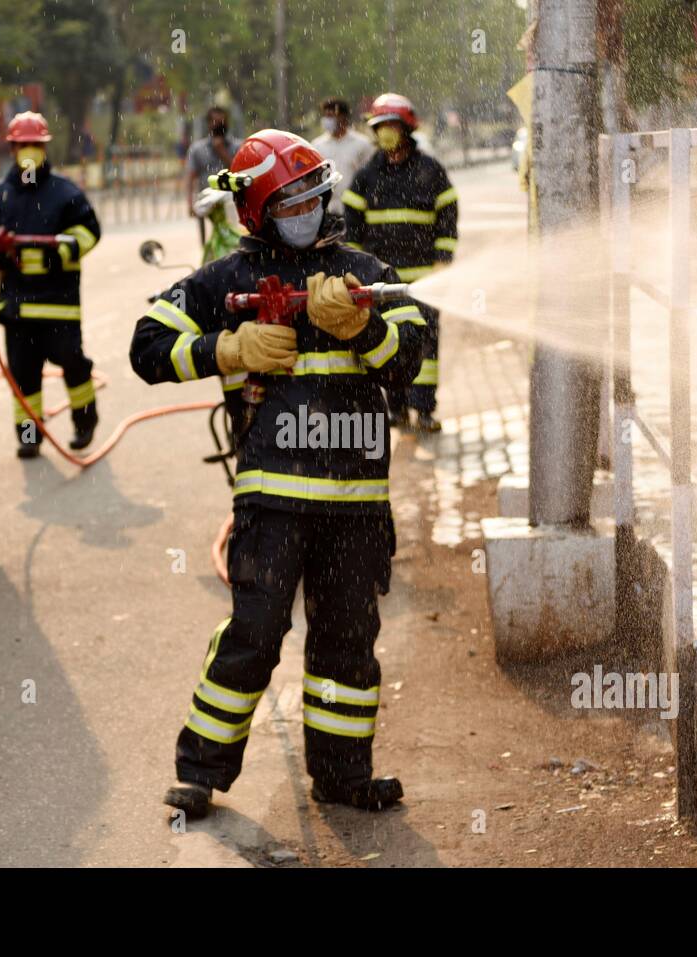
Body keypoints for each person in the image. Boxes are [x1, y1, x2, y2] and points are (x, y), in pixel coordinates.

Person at [130, 130, 430, 820]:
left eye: (313, 195)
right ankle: (199, 772)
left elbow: (411, 357)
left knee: (347, 644)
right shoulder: (227, 279)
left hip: (356, 504)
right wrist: (224, 347)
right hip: (273, 501)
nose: (307, 209)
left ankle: (344, 776)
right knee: (257, 631)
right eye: (289, 200)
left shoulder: (363, 269)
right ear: (259, 211)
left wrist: (364, 329)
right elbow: (147, 345)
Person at [0, 111, 102, 458]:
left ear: (44, 148)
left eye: (34, 145)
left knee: (73, 364)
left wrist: (57, 252)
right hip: (17, 308)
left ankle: (84, 422)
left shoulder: (65, 193)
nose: (28, 151)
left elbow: (90, 232)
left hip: (59, 304)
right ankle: (29, 436)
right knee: (24, 378)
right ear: (12, 150)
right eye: (22, 145)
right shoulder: (0, 194)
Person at [344, 93, 458, 432]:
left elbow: (447, 217)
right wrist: (353, 269)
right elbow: (352, 226)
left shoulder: (430, 171)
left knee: (424, 346)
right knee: (388, 344)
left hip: (424, 279)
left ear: (407, 129)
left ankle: (424, 409)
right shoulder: (366, 176)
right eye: (380, 127)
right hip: (382, 284)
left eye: (391, 126)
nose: (385, 133)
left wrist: (443, 260)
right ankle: (396, 409)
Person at [184, 106, 242, 247]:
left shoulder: (238, 146)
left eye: (221, 122)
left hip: (232, 201)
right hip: (206, 200)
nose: (218, 125)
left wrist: (222, 151)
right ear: (209, 124)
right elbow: (190, 177)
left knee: (235, 238)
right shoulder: (197, 149)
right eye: (215, 122)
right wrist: (190, 203)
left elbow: (240, 171)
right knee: (207, 242)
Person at [310, 97, 375, 216]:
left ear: (344, 118)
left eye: (332, 116)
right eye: (326, 116)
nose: (327, 120)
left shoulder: (362, 144)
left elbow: (372, 175)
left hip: (355, 208)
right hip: (326, 210)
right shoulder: (316, 146)